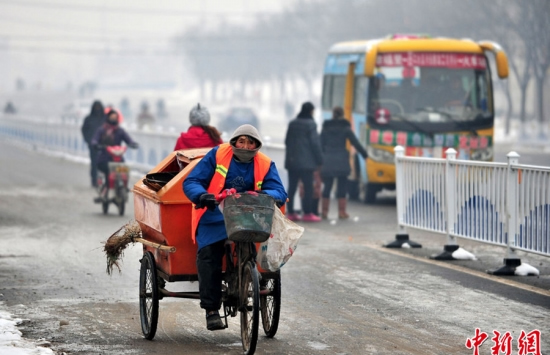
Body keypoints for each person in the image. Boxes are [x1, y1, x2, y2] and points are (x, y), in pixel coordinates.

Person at [183, 124, 287, 331]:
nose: (245, 146)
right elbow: (192, 181)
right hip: (215, 216)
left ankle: (249, 274)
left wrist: (267, 196)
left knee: (259, 247)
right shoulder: (217, 154)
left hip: (248, 216)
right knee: (209, 254)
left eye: (250, 142)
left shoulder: (265, 163)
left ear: (257, 145)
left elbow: (279, 190)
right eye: (241, 141)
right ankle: (211, 309)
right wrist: (202, 196)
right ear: (234, 142)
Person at [320, 106, 368, 219]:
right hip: (341, 159)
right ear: (342, 115)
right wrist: (364, 154)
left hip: (328, 159)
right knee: (342, 186)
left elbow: (320, 144)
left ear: (332, 114)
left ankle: (324, 212)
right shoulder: (345, 128)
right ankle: (342, 212)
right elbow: (355, 142)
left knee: (327, 186)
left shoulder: (326, 128)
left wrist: (321, 158)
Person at [284, 101, 323, 222]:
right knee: (308, 188)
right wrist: (320, 160)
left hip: (292, 162)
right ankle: (307, 213)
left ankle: (290, 212)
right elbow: (315, 144)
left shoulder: (292, 123)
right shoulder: (311, 124)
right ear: (311, 111)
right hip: (307, 163)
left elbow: (287, 141)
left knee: (292, 187)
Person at [91, 109, 138, 194]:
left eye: (115, 117)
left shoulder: (120, 131)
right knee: (108, 170)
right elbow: (95, 140)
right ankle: (106, 188)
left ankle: (124, 187)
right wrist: (96, 144)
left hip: (118, 158)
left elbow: (128, 139)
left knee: (124, 170)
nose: (113, 119)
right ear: (108, 118)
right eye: (112, 117)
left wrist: (133, 144)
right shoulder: (102, 130)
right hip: (104, 158)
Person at [81, 101, 106, 187]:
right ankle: (94, 180)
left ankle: (106, 181)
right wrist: (88, 140)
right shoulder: (89, 119)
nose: (97, 109)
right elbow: (84, 130)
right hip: (93, 145)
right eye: (96, 107)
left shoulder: (105, 118)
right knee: (94, 163)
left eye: (99, 107)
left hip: (105, 145)